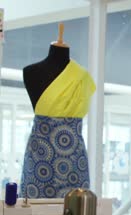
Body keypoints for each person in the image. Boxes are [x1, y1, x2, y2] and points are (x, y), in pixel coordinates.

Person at [20, 29, 95, 198]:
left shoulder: (82, 77)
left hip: (74, 159)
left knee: (77, 213)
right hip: (40, 155)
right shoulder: (30, 72)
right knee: (33, 213)